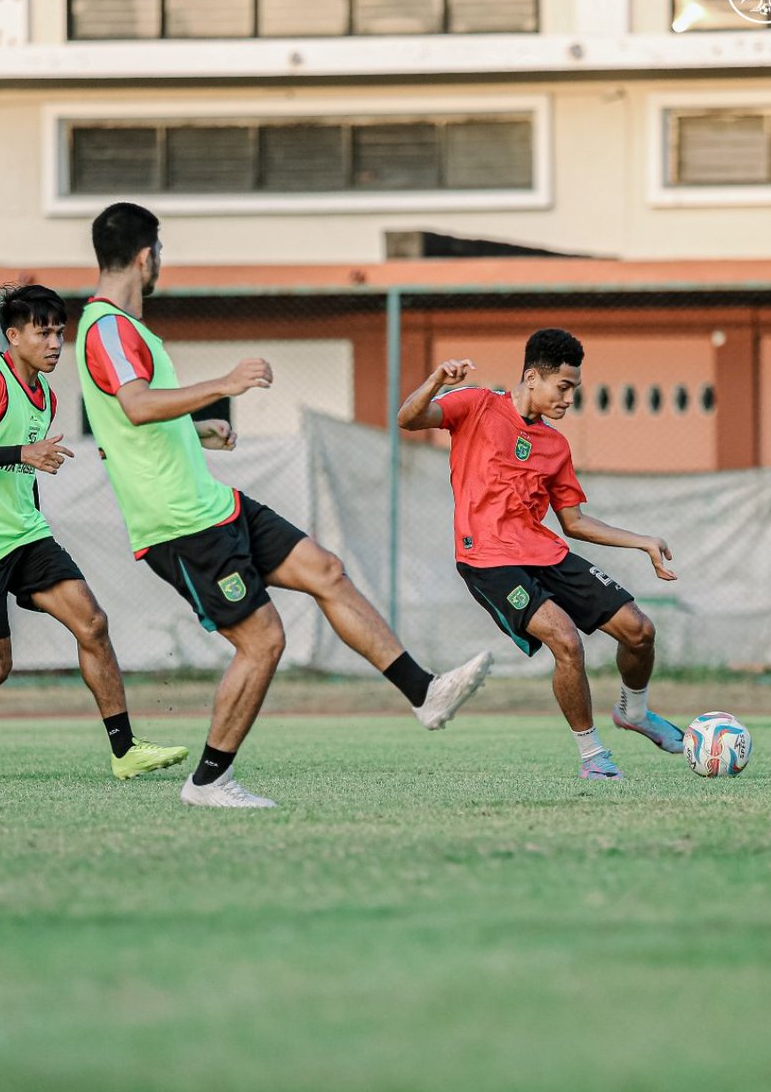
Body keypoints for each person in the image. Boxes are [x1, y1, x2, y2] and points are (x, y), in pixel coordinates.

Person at [75, 202, 492, 810]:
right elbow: (136, 406)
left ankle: (423, 693)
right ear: (147, 256)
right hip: (181, 524)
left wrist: (195, 433)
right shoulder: (108, 327)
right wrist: (224, 385)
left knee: (325, 570)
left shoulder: (123, 331)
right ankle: (209, 781)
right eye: (159, 254)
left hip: (214, 505)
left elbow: (127, 427)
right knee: (263, 640)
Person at [0, 284, 188, 783]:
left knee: (93, 623)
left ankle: (124, 750)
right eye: (43, 332)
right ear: (14, 336)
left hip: (28, 537)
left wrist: (33, 510)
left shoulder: (47, 396)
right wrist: (20, 453)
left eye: (60, 331)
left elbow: (28, 471)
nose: (56, 342)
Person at [398, 327, 684, 781]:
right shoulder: (476, 404)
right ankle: (592, 757)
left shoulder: (556, 445)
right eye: (563, 387)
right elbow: (409, 419)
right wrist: (436, 380)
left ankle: (635, 712)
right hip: (487, 558)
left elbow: (574, 523)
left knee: (639, 630)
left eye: (574, 389)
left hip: (544, 552)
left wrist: (643, 540)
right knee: (566, 640)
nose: (569, 398)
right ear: (533, 377)